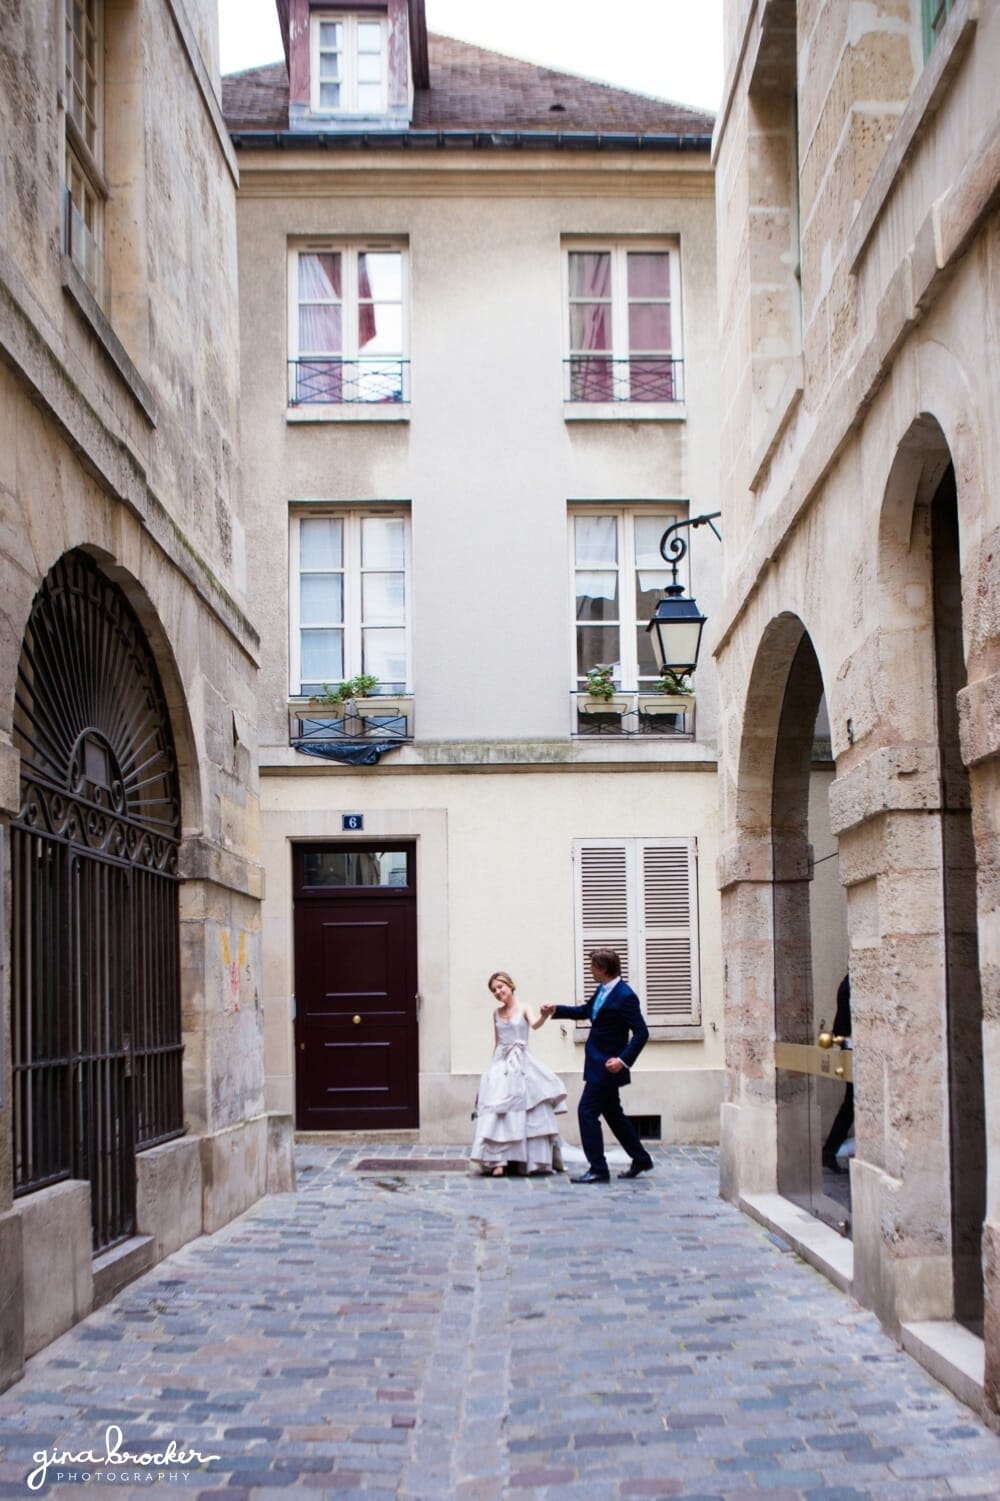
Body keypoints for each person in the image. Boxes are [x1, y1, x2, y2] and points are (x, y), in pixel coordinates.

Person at [539, 948, 652, 1183]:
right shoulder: (602, 990)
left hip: (608, 1066)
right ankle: (640, 1158)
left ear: (603, 969)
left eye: (592, 966)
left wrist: (622, 1061)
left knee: (586, 1112)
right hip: (596, 1062)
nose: (590, 969)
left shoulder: (625, 995)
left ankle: (598, 1168)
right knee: (613, 1114)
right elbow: (585, 1011)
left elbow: (641, 1032)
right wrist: (555, 1010)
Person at [470, 971, 567, 1177]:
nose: (498, 992)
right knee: (499, 1112)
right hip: (502, 1063)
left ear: (510, 986)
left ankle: (531, 1160)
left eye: (500, 987)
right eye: (494, 990)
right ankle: (499, 1161)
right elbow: (497, 1043)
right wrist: (491, 1071)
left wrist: (545, 1014)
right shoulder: (496, 1013)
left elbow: (535, 1025)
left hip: (522, 1062)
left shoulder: (524, 1007)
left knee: (529, 1108)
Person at [822, 972, 853, 1174]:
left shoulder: (846, 983)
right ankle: (829, 1151)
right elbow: (843, 1024)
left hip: (848, 1045)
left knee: (851, 1104)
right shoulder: (849, 986)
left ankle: (830, 1151)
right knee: (852, 1104)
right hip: (851, 1046)